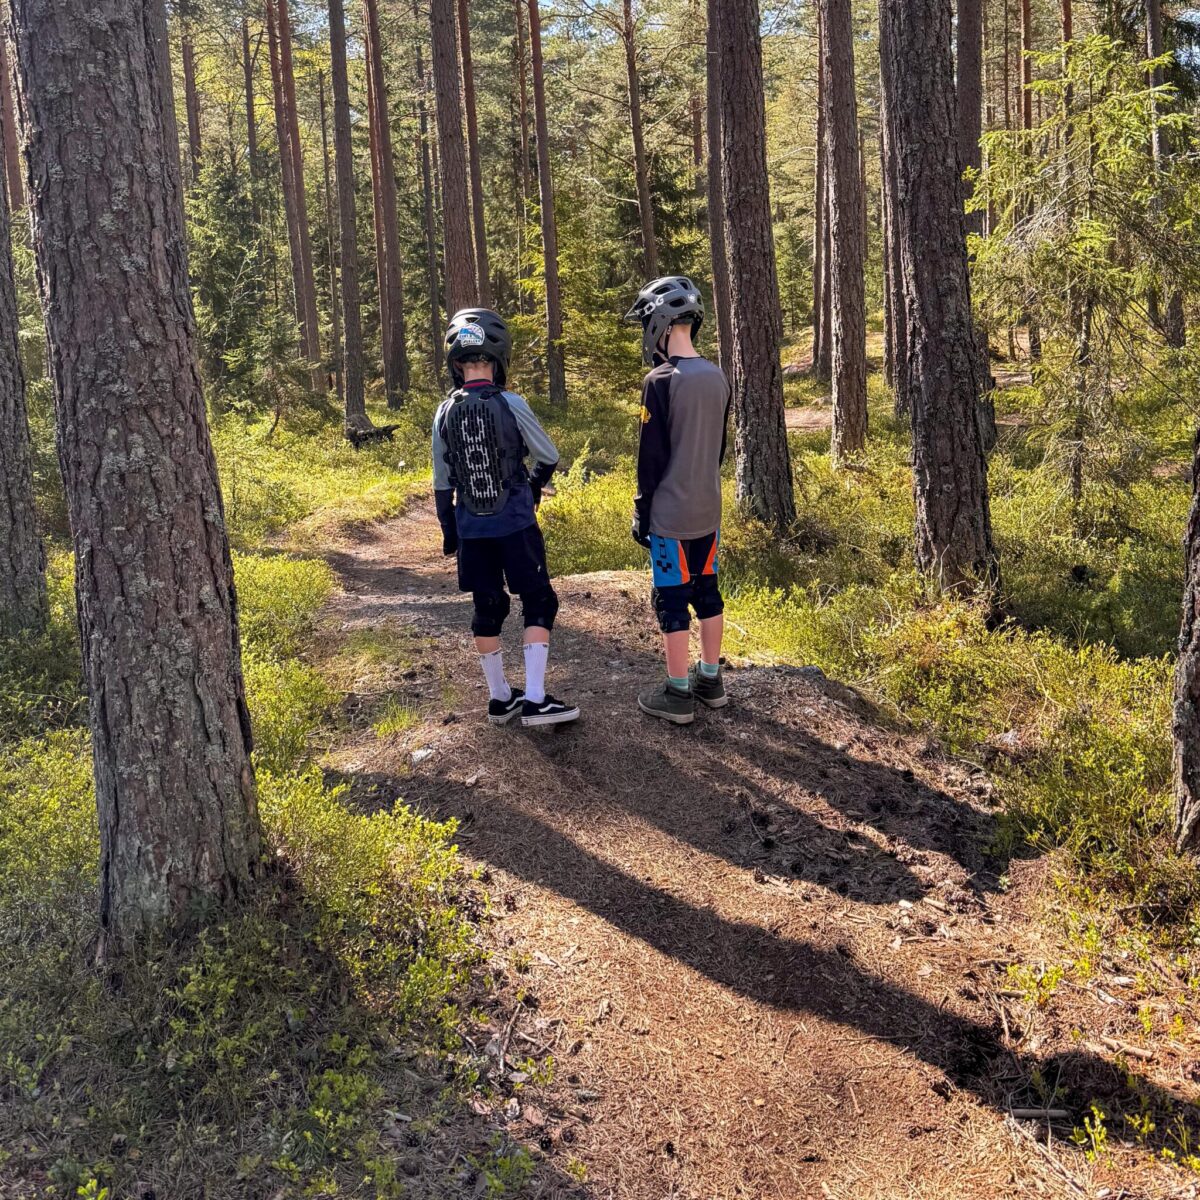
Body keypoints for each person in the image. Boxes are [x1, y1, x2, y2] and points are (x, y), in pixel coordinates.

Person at [432, 308, 579, 728]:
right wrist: (533, 486)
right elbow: (548, 455)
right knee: (539, 600)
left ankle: (500, 698)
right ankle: (534, 698)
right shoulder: (511, 403)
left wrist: (450, 532)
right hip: (515, 521)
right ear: (497, 361)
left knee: (487, 604)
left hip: (471, 527)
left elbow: (442, 481)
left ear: (457, 364)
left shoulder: (443, 412)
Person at [625, 276, 731, 726]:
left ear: (661, 325)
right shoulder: (718, 375)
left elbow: (651, 456)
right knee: (708, 593)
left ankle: (678, 692)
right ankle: (711, 680)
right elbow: (720, 448)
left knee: (671, 600)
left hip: (670, 512)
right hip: (708, 509)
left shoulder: (660, 380)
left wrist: (641, 509)